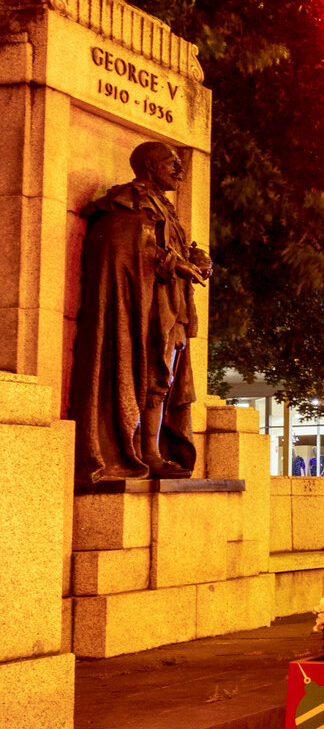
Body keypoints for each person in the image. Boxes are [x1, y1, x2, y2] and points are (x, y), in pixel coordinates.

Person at [68, 140, 212, 485]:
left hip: (170, 304)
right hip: (142, 304)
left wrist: (196, 261)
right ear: (150, 165)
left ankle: (153, 449)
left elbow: (164, 247)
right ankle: (141, 450)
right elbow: (122, 246)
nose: (180, 171)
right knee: (148, 372)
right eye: (172, 163)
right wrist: (172, 263)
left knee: (164, 378)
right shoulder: (128, 202)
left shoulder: (164, 207)